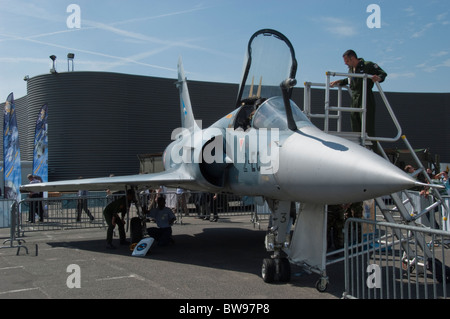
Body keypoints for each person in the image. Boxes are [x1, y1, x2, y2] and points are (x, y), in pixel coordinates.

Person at [330, 50, 387, 137]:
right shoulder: (350, 70)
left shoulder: (367, 65)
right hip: (355, 98)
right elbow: (350, 80)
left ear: (352, 58)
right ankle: (358, 145)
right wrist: (339, 81)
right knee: (355, 122)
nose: (346, 64)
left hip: (365, 97)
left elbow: (382, 73)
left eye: (347, 61)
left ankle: (370, 147)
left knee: (367, 125)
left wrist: (378, 78)